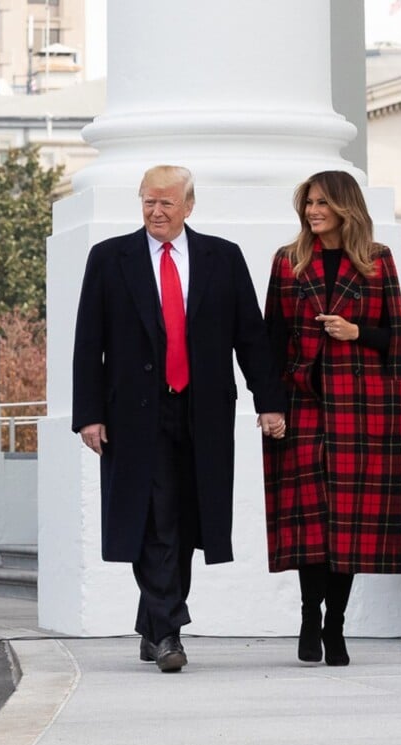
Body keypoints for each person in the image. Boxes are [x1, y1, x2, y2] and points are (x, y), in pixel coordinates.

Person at [72, 165, 287, 673]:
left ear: (190, 206)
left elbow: (250, 338)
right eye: (148, 201)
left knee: (188, 520)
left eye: (167, 203)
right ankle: (169, 631)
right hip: (135, 414)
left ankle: (151, 625)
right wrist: (89, 415)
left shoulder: (223, 258)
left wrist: (269, 401)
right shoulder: (109, 259)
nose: (157, 212)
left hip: (203, 411)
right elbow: (88, 343)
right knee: (154, 518)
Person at [262, 170, 401, 666]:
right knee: (311, 521)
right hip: (303, 402)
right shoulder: (288, 262)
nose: (313, 211)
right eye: (308, 203)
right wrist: (268, 405)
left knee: (347, 524)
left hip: (361, 407)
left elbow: (394, 337)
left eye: (322, 204)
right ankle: (310, 616)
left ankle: (335, 626)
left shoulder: (377, 261)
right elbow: (270, 338)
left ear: (345, 207)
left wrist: (356, 332)